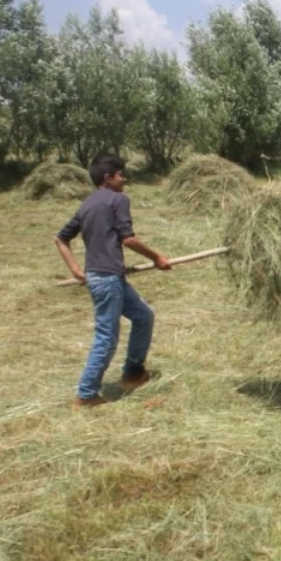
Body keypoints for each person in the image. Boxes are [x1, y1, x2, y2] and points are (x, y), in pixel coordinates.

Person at [55, 153, 171, 408]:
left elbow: (61, 239)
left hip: (107, 276)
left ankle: (133, 373)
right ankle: (86, 394)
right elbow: (128, 239)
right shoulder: (118, 199)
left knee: (143, 316)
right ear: (108, 178)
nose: (125, 179)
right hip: (106, 280)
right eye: (121, 174)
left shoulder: (86, 204)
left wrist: (76, 270)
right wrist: (157, 258)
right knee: (106, 337)